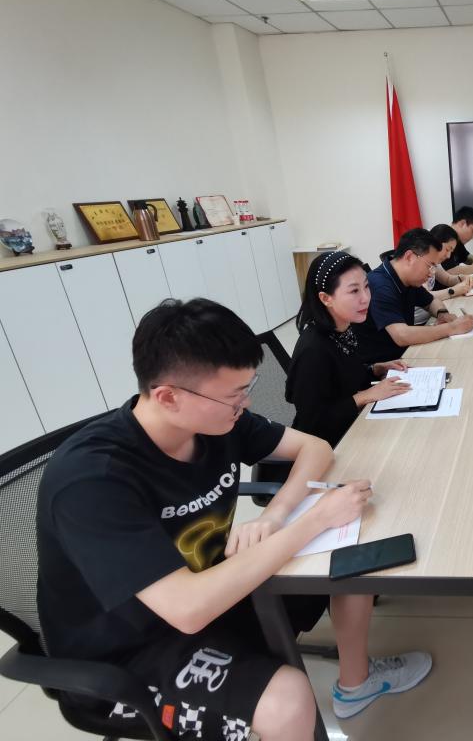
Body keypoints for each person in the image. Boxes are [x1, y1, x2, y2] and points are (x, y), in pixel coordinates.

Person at [36, 299, 433, 741]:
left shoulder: (215, 422)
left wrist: (277, 515)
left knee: (350, 558)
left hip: (212, 589)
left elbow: (315, 448)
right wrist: (311, 521)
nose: (245, 404)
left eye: (247, 387)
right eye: (233, 395)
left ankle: (357, 684)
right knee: (287, 702)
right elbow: (187, 610)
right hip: (128, 652)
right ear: (168, 396)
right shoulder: (92, 479)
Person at [287, 251, 413, 447]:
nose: (365, 298)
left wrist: (375, 368)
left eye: (366, 287)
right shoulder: (313, 350)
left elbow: (342, 377)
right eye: (354, 291)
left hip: (357, 424)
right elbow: (314, 421)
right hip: (330, 445)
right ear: (326, 298)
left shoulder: (344, 326)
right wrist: (365, 396)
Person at [353, 228, 473, 364]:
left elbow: (431, 301)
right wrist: (453, 328)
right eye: (430, 265)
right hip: (385, 364)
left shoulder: (408, 278)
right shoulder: (380, 285)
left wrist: (442, 314)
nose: (431, 273)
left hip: (406, 354)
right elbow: (402, 335)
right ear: (410, 257)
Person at [413, 224, 473, 325]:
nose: (448, 256)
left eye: (451, 251)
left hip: (432, 316)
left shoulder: (435, 261)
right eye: (447, 249)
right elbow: (426, 296)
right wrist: (453, 291)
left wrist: (462, 278)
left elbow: (447, 279)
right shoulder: (421, 262)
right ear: (436, 244)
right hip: (418, 323)